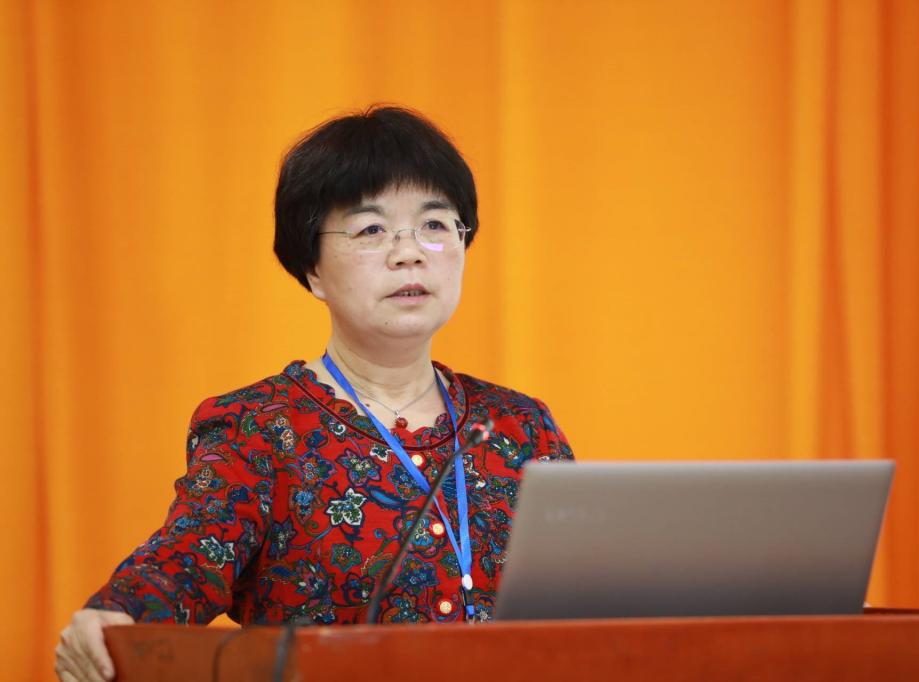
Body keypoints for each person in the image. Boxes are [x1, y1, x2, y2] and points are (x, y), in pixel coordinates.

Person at [54, 106, 574, 682]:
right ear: (313, 270)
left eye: (434, 224)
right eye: (371, 229)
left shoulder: (519, 426)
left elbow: (593, 599)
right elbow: (184, 562)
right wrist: (114, 616)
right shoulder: (259, 427)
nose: (409, 252)